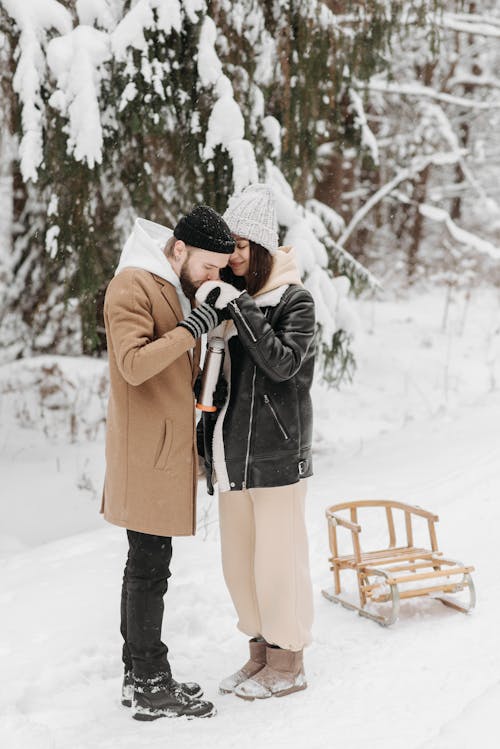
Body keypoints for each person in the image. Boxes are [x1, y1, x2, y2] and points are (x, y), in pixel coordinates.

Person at [101, 206, 235, 720]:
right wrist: (190, 328)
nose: (212, 278)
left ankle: (139, 680)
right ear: (178, 250)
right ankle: (151, 683)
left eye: (219, 270)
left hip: (162, 447)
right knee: (148, 570)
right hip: (145, 453)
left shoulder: (169, 281)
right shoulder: (131, 285)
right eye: (208, 266)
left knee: (147, 568)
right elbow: (133, 365)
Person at [195, 184, 316, 700]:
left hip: (277, 457)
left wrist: (241, 307)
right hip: (231, 457)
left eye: (244, 246)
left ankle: (289, 663)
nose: (235, 256)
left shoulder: (295, 301)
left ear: (264, 248)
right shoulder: (230, 303)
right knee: (239, 566)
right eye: (231, 246)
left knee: (278, 564)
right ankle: (261, 654)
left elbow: (282, 364)